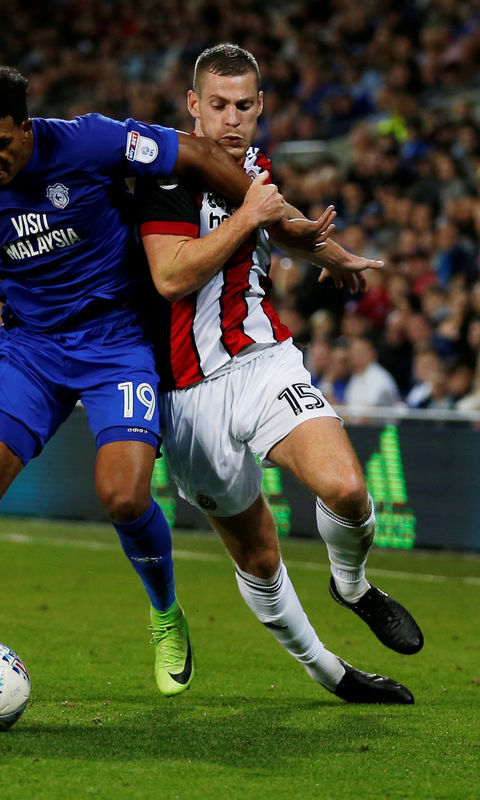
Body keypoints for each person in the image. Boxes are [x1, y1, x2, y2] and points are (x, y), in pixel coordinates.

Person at [0, 63, 330, 706]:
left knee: (123, 496)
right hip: (31, 348)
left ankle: (165, 614)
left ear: (25, 125)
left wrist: (275, 219)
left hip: (117, 340)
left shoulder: (92, 141)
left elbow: (200, 155)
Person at [135, 44, 423, 704]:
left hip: (263, 361)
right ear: (192, 106)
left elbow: (276, 225)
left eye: (243, 106)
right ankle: (330, 672)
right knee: (259, 556)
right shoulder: (166, 173)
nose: (230, 119)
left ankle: (349, 584)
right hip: (186, 397)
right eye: (217, 106)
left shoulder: (257, 171)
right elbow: (170, 276)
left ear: (260, 107)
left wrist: (328, 251)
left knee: (347, 488)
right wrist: (257, 217)